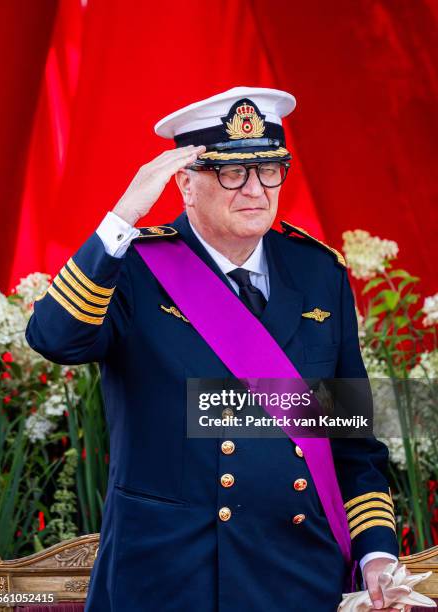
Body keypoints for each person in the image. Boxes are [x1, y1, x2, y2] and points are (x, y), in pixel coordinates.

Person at [26, 87, 406, 612]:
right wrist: (122, 217)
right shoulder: (133, 269)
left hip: (298, 574)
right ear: (185, 182)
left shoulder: (319, 274)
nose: (255, 189)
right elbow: (53, 338)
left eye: (270, 169)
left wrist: (377, 556)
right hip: (174, 578)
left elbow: (351, 443)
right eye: (232, 173)